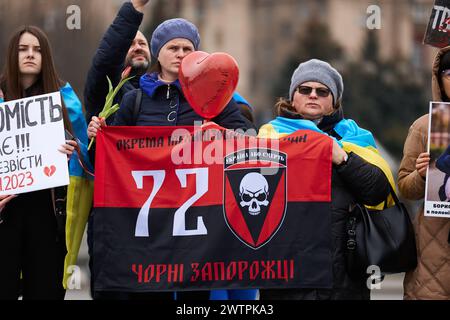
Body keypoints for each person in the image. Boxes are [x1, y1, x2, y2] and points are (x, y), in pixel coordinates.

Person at [88, 17, 249, 300]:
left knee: (194, 299)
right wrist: (98, 135)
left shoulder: (215, 97)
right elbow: (109, 159)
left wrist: (220, 132)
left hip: (198, 224)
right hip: (150, 224)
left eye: (188, 48)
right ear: (158, 53)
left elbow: (248, 138)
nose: (181, 54)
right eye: (173, 47)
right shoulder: (134, 100)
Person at [257, 59, 394, 300]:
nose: (313, 95)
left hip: (342, 275)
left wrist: (343, 159)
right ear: (293, 96)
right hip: (286, 271)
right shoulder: (269, 136)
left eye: (322, 91)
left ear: (333, 102)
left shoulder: (355, 138)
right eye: (305, 89)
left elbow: (378, 191)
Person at [0, 26, 87, 300]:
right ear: (13, 54)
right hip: (5, 212)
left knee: (45, 288)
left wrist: (72, 152)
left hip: (47, 213)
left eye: (37, 50)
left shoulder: (62, 100)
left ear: (45, 56)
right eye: (23, 49)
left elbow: (83, 156)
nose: (30, 55)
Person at [398, 47, 450, 300]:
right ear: (439, 78)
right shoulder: (424, 127)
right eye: (449, 73)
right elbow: (404, 188)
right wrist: (420, 175)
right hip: (433, 256)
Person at [84, 0, 151, 123]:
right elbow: (107, 58)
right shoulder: (107, 86)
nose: (138, 47)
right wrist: (134, 8)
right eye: (130, 44)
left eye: (142, 43)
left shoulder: (161, 91)